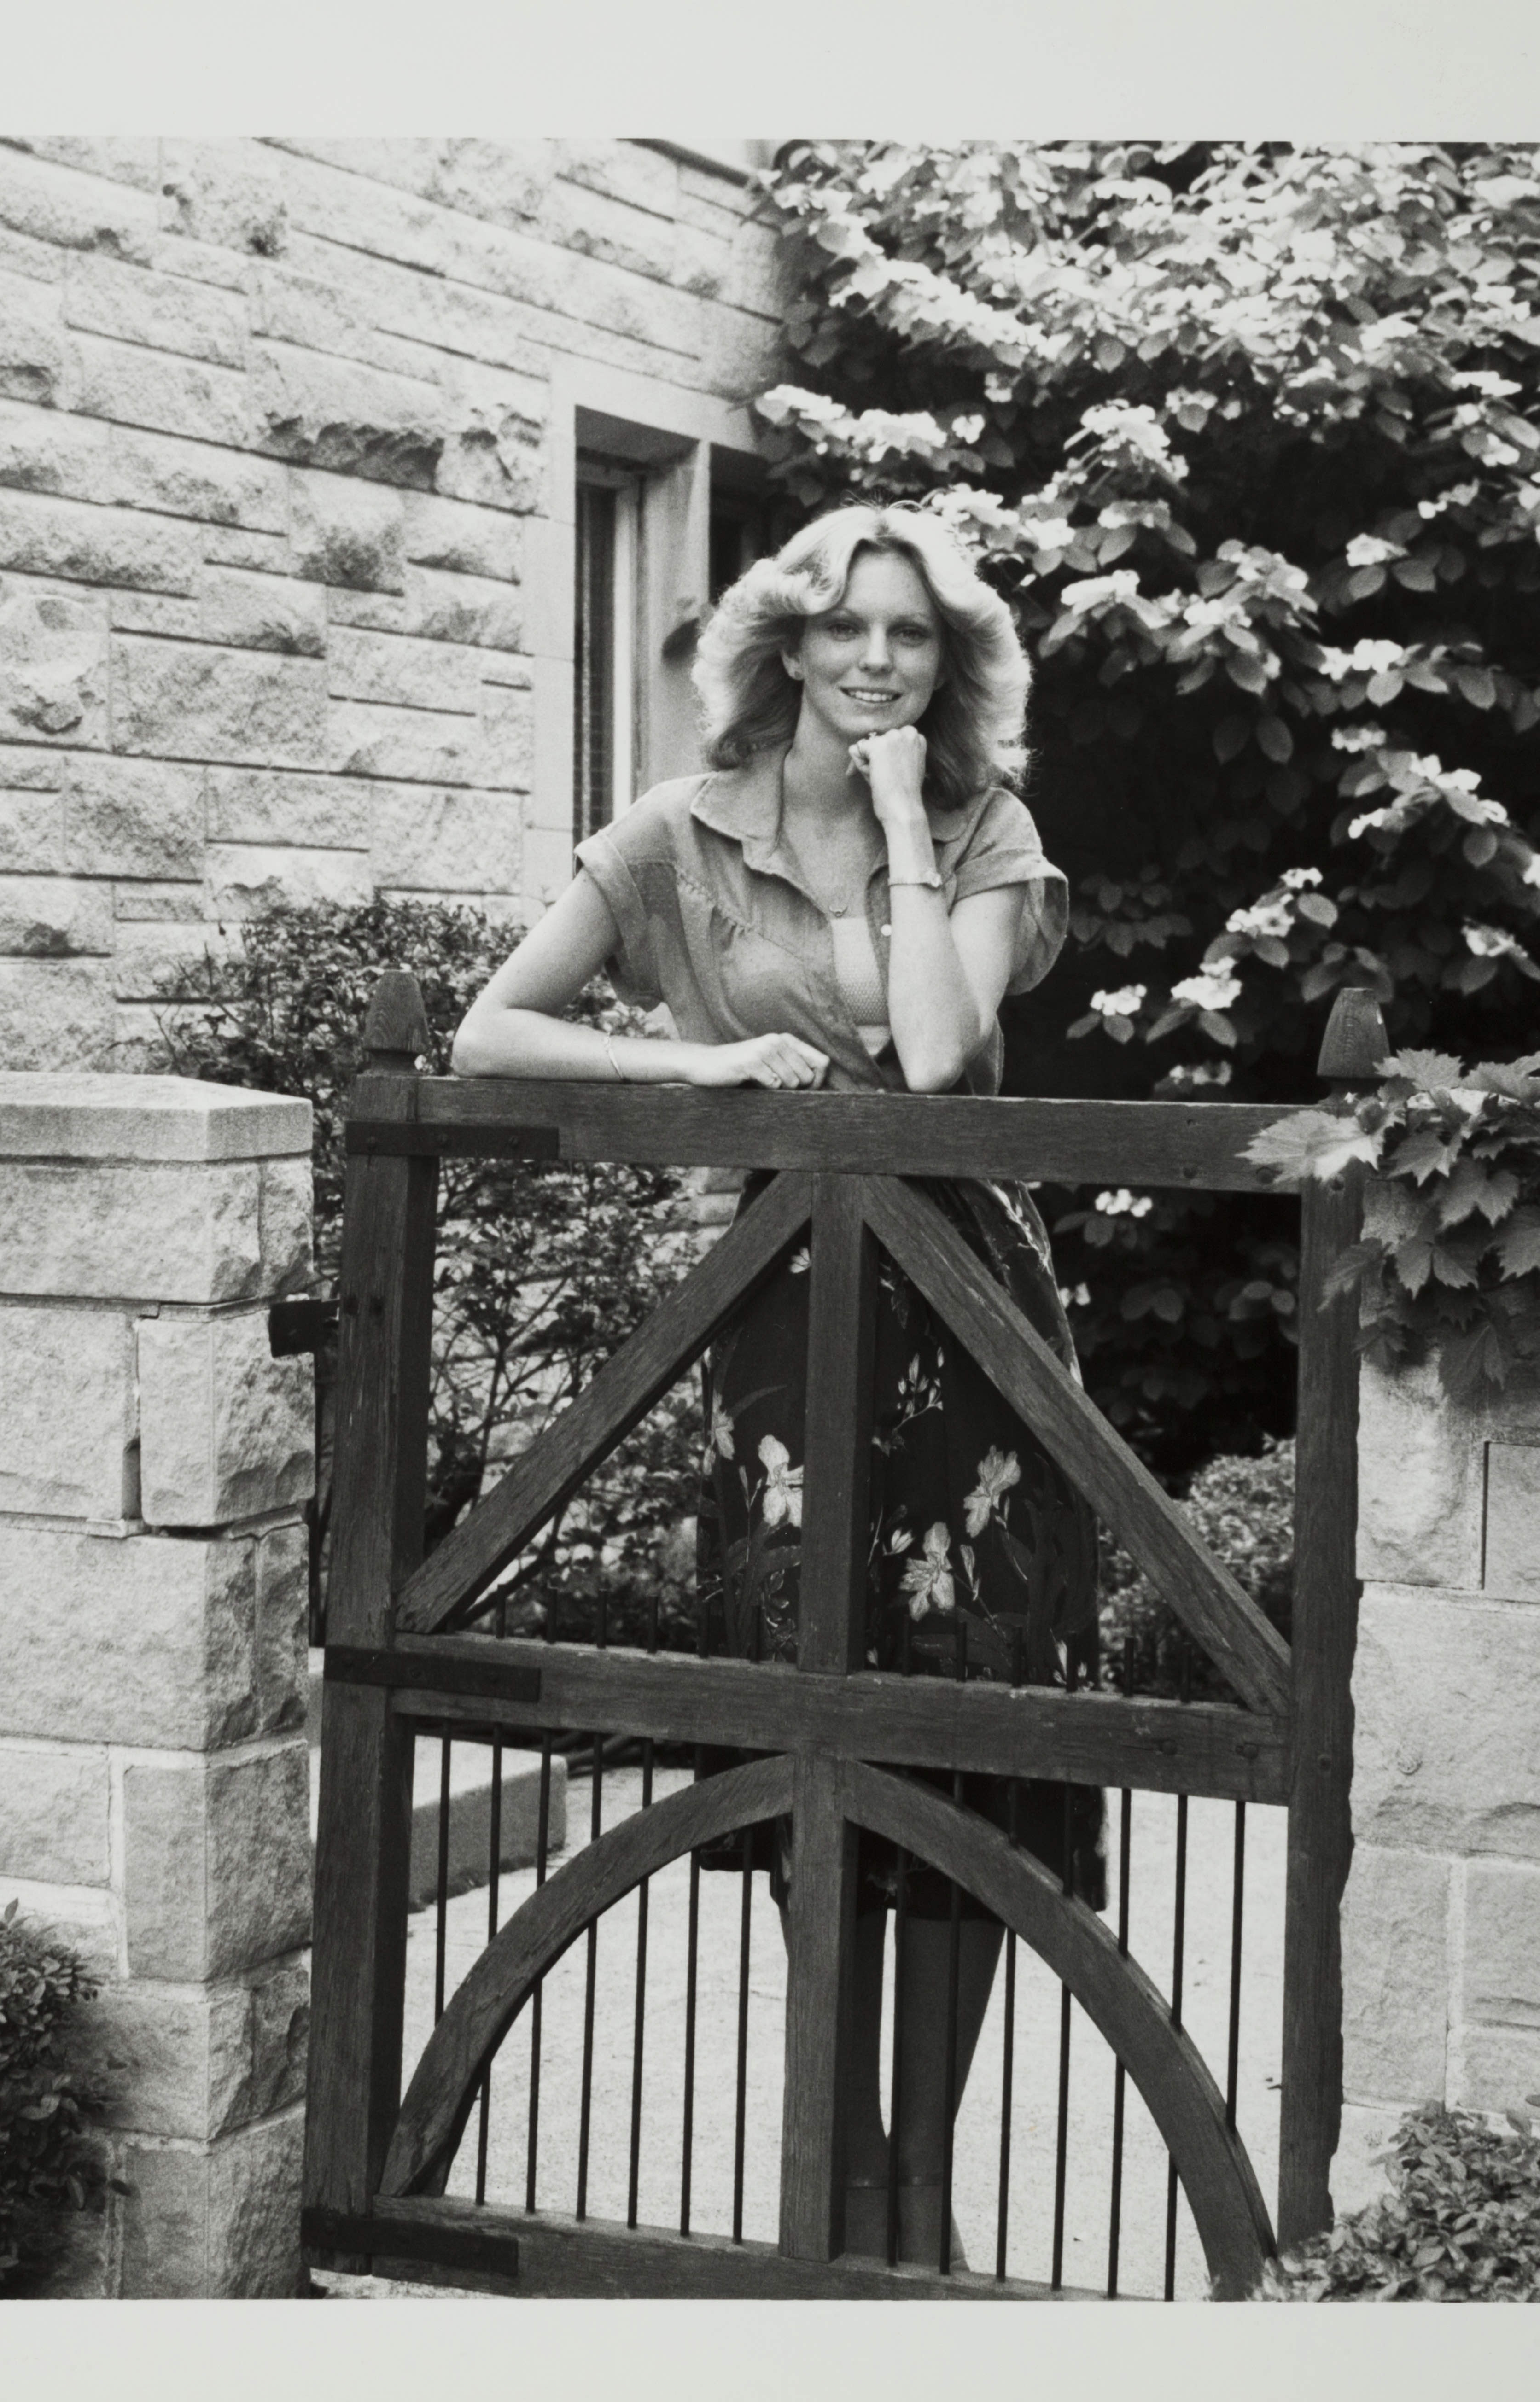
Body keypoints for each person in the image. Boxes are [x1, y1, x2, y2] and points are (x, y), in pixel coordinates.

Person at [451, 503, 1103, 2268]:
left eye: (912, 636)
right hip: (780, 1315)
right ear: (790, 647)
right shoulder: (679, 836)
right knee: (813, 1728)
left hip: (969, 1309)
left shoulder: (985, 827)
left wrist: (901, 822)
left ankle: (924, 2191)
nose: (878, 661)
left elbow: (944, 1058)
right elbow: (486, 1037)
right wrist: (707, 1065)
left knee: (968, 1737)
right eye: (847, 630)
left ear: (945, 663)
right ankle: (847, 2168)